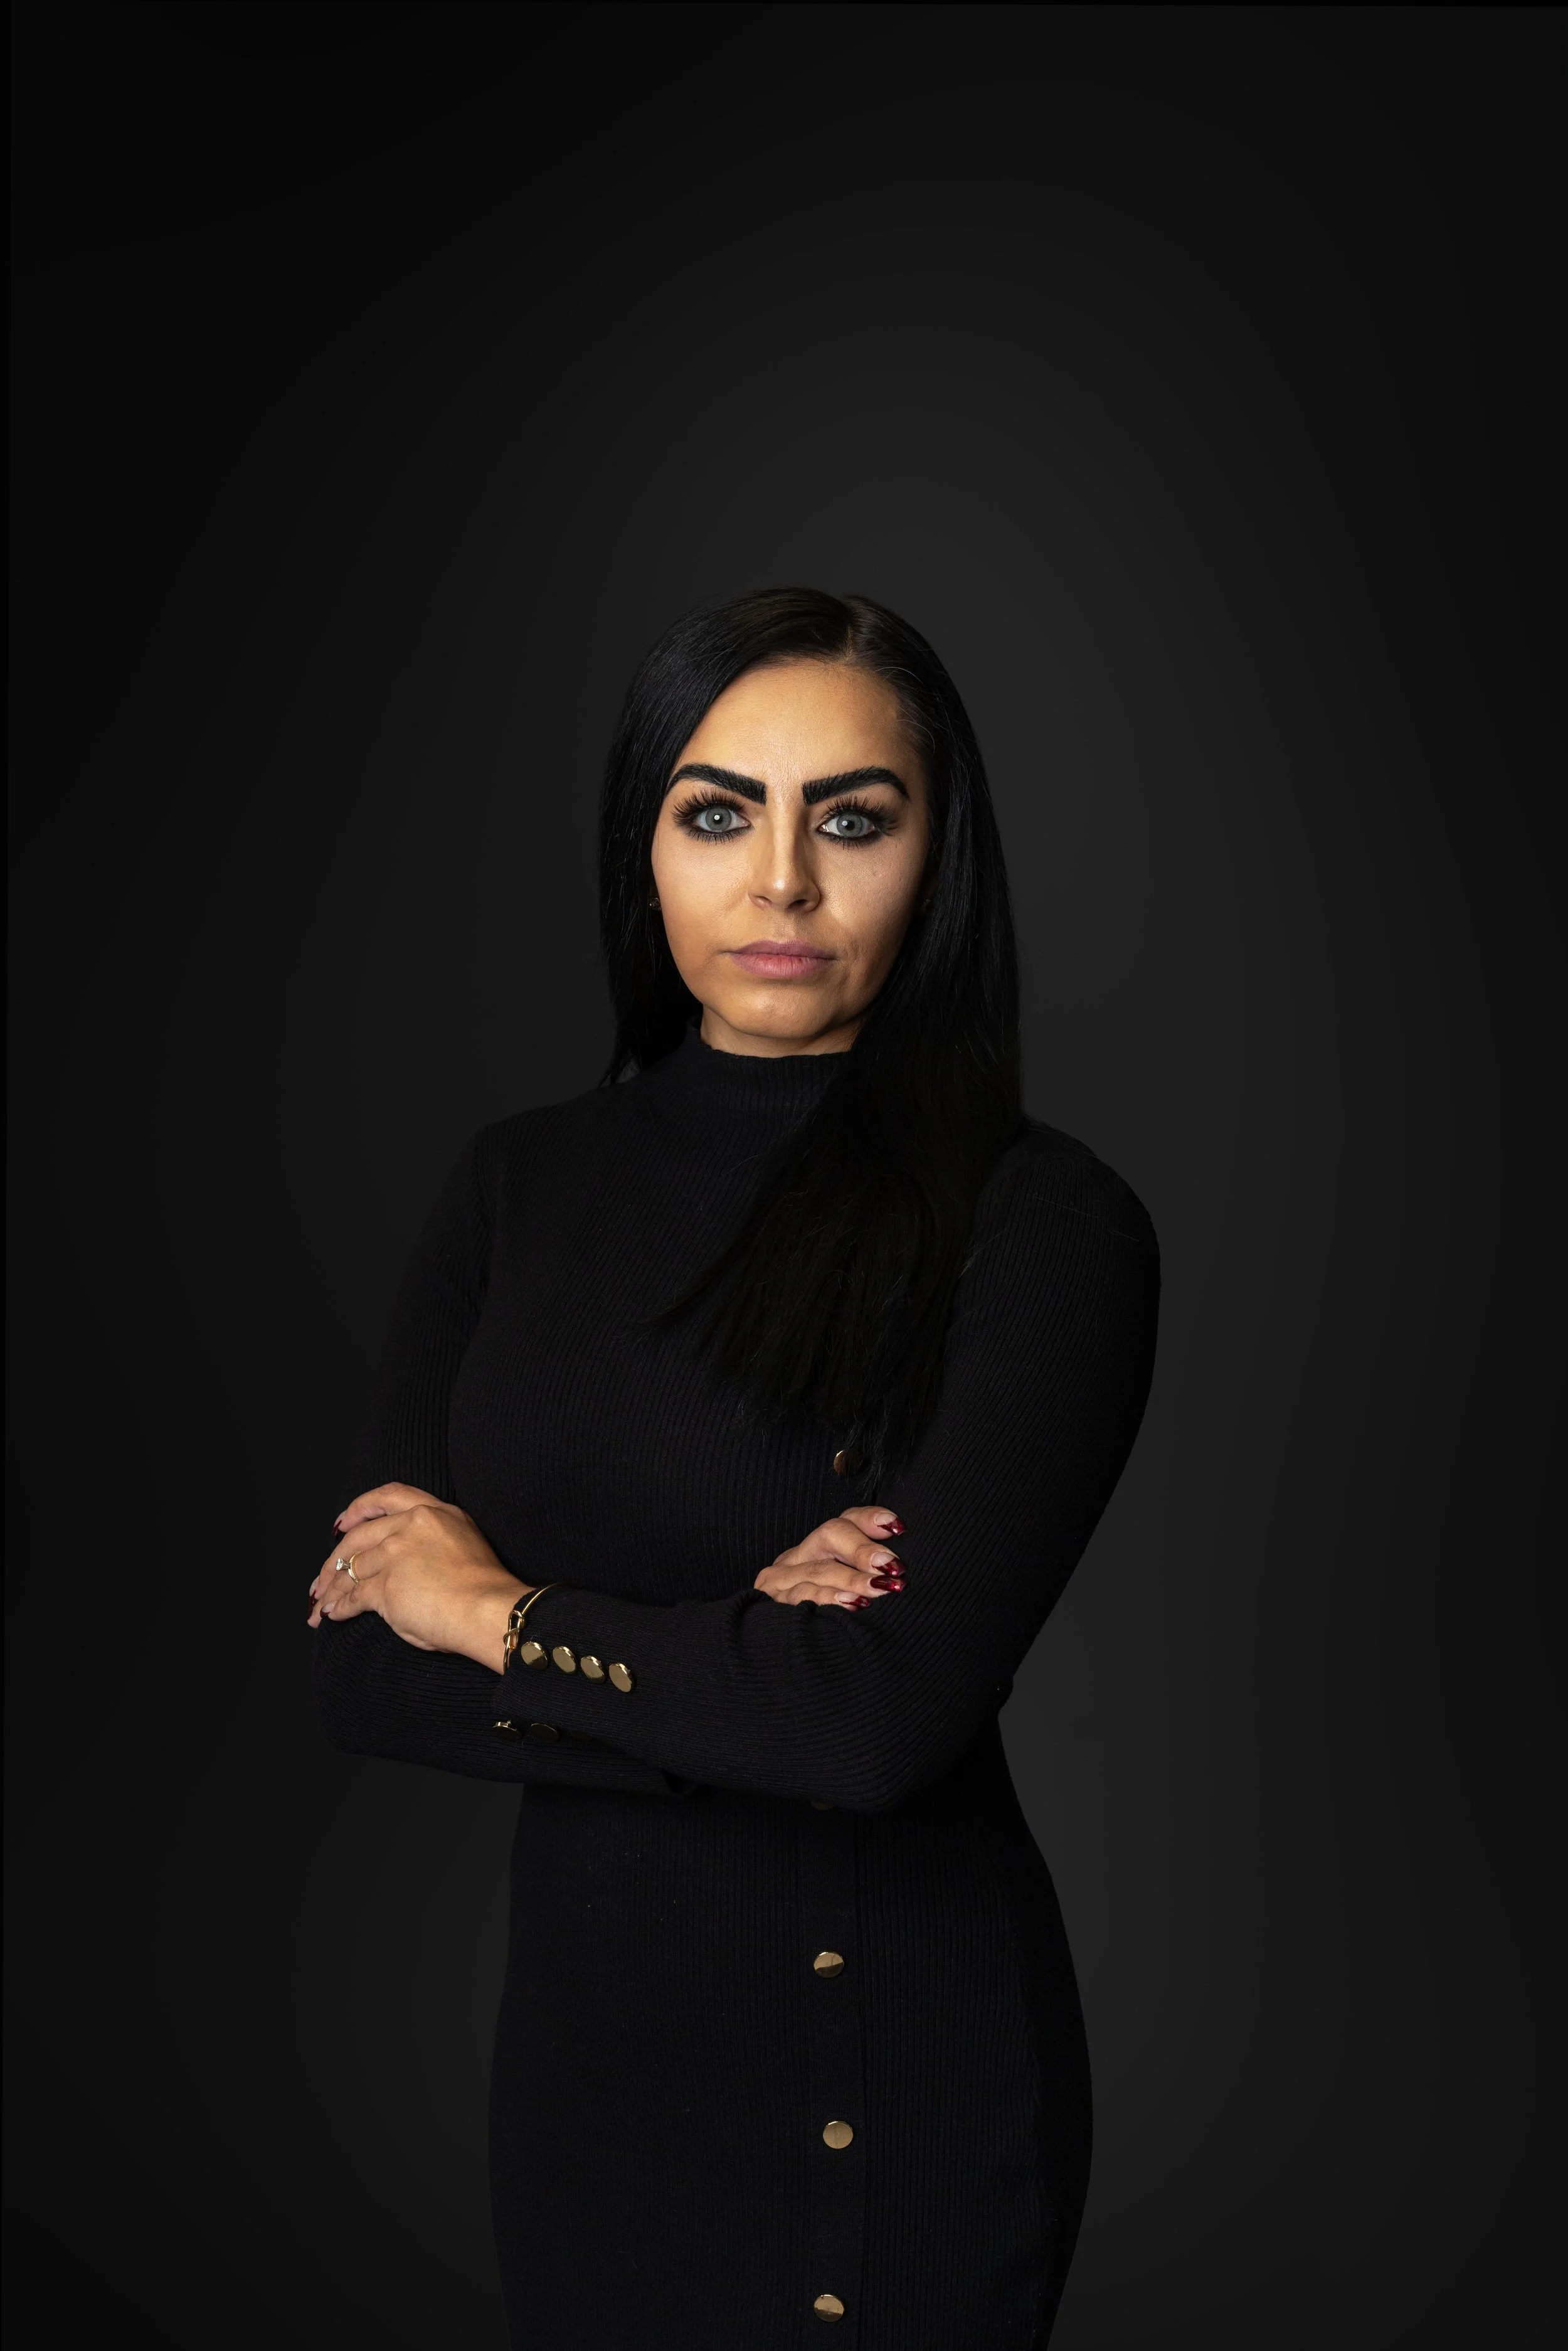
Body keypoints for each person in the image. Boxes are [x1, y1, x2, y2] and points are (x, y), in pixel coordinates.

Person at [309, 586, 1159, 2348]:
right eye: (718, 814)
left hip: (885, 2062)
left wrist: (495, 1610)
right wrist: (745, 1663)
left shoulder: (1042, 1224)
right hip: (586, 2082)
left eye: (850, 819)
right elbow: (362, 1673)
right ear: (645, 849)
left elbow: (869, 1728)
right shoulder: (513, 1189)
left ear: (939, 855)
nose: (781, 882)